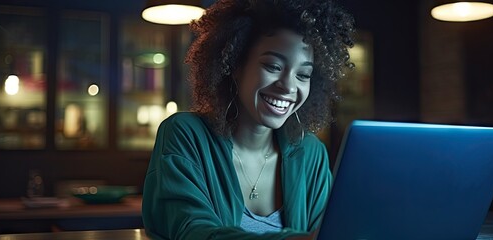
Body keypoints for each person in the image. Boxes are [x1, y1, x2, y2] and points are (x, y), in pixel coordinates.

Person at [142, 0, 355, 239]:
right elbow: (192, 231)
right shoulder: (185, 134)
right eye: (273, 66)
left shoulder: (310, 153)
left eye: (303, 74)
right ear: (235, 64)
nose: (288, 86)